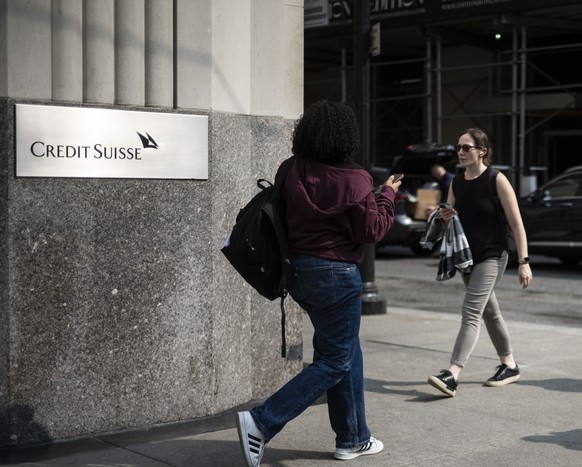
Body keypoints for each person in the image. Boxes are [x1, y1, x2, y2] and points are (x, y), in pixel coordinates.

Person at [236, 100, 401, 466]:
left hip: (298, 275)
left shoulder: (289, 169)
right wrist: (387, 195)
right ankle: (262, 421)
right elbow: (371, 230)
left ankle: (353, 438)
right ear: (346, 137)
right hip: (337, 276)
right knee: (334, 361)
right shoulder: (356, 179)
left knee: (345, 352)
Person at [427, 128, 533, 397]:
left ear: (482, 151)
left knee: (471, 311)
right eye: (458, 148)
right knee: (490, 312)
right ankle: (509, 365)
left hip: (493, 255)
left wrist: (524, 261)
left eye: (466, 148)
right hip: (467, 258)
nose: (460, 153)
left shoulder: (496, 180)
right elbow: (449, 218)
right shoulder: (457, 183)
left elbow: (517, 224)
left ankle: (452, 373)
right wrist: (442, 216)